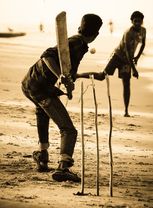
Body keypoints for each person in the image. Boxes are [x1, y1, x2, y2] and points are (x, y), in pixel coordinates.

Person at [21, 13, 103, 182]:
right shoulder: (76, 43)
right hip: (41, 88)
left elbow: (69, 73)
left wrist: (90, 76)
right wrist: (60, 76)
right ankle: (63, 167)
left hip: (29, 84)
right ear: (96, 35)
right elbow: (47, 56)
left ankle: (42, 156)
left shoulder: (77, 43)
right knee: (68, 129)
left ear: (80, 27)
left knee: (42, 112)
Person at [77, 11, 146, 117]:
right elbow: (127, 52)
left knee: (126, 84)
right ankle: (78, 75)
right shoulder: (128, 32)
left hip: (127, 61)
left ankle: (126, 111)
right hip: (117, 56)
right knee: (101, 76)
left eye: (139, 21)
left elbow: (143, 44)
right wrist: (134, 69)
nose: (137, 23)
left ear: (142, 21)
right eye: (135, 21)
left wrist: (137, 57)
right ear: (132, 21)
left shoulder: (143, 31)